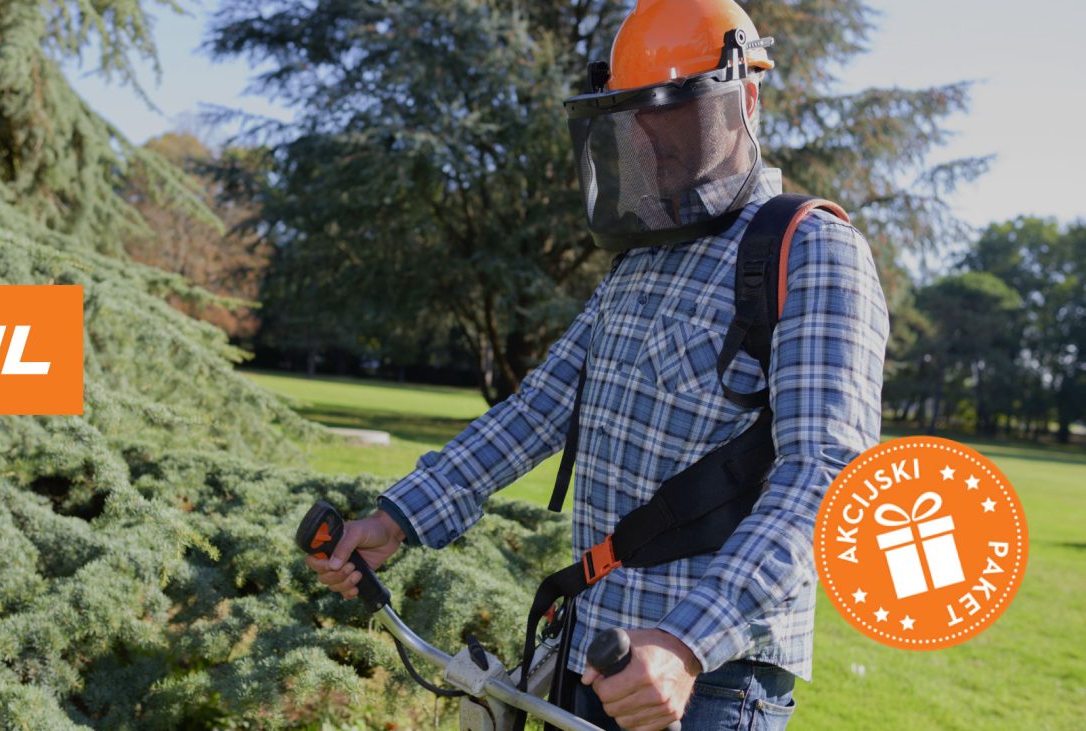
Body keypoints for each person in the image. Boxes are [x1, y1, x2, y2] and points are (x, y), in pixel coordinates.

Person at [305, 1, 889, 729]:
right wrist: (399, 517)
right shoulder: (641, 257)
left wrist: (686, 642)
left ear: (745, 98)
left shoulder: (809, 250)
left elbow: (826, 474)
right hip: (590, 653)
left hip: (705, 685)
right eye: (632, 113)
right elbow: (539, 407)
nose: (650, 134)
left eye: (674, 109)